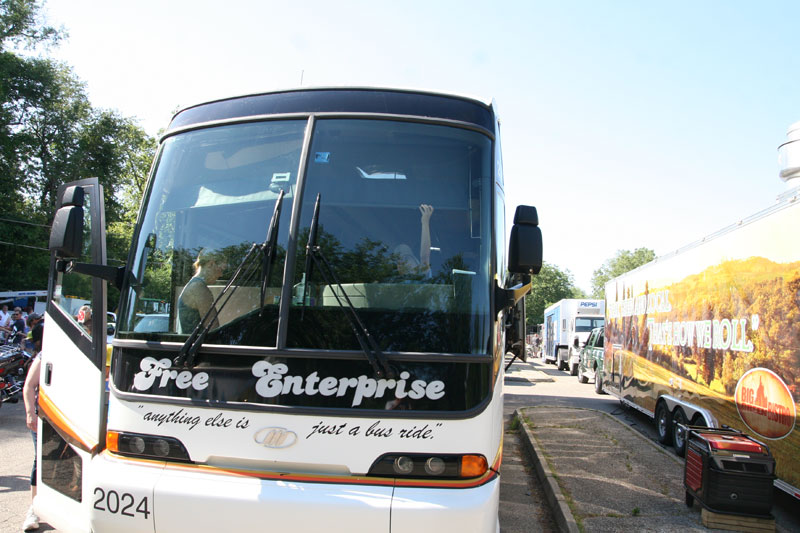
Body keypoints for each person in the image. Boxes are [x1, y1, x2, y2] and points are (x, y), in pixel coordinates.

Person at [22, 318, 44, 531]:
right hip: (43, 418)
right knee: (41, 460)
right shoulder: (43, 357)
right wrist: (30, 413)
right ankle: (33, 509)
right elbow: (28, 387)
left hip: (66, 419)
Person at [177, 249, 226, 333]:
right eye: (221, 269)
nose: (221, 275)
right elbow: (213, 330)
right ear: (211, 264)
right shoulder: (199, 288)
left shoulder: (192, 284)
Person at [393, 204, 434, 279]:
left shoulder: (422, 276)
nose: (403, 264)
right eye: (399, 262)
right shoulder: (392, 283)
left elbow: (424, 256)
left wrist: (425, 222)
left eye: (406, 259)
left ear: (415, 262)